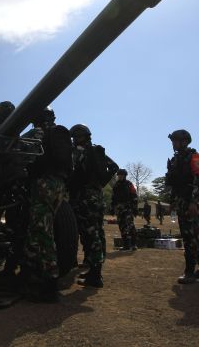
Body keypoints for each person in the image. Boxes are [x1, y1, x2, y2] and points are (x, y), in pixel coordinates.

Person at [20, 107, 72, 302]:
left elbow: (19, 151)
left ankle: (49, 285)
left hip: (43, 183)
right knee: (40, 231)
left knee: (42, 233)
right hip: (59, 185)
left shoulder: (37, 133)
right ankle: (34, 278)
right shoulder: (59, 133)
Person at [68, 123, 118, 288]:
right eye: (74, 137)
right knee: (97, 232)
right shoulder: (96, 150)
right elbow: (114, 167)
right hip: (96, 196)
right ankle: (95, 271)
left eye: (77, 136)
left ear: (84, 136)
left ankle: (96, 275)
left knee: (91, 234)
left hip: (85, 197)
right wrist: (100, 184)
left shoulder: (83, 152)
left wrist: (92, 184)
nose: (75, 140)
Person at [165, 129, 199, 284]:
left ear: (184, 141)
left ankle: (190, 271)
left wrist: (193, 202)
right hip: (181, 201)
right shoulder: (177, 159)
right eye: (172, 140)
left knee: (189, 236)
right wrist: (172, 201)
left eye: (175, 140)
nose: (173, 143)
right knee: (192, 236)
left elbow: (198, 181)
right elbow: (174, 184)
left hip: (189, 201)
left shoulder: (194, 157)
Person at [111, 169, 138, 251]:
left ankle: (133, 245)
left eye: (121, 175)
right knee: (122, 226)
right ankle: (126, 246)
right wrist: (112, 207)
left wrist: (135, 208)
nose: (120, 176)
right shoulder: (116, 185)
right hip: (119, 209)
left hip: (128, 208)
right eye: (119, 175)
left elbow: (134, 196)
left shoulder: (129, 184)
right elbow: (113, 198)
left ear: (125, 176)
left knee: (130, 226)